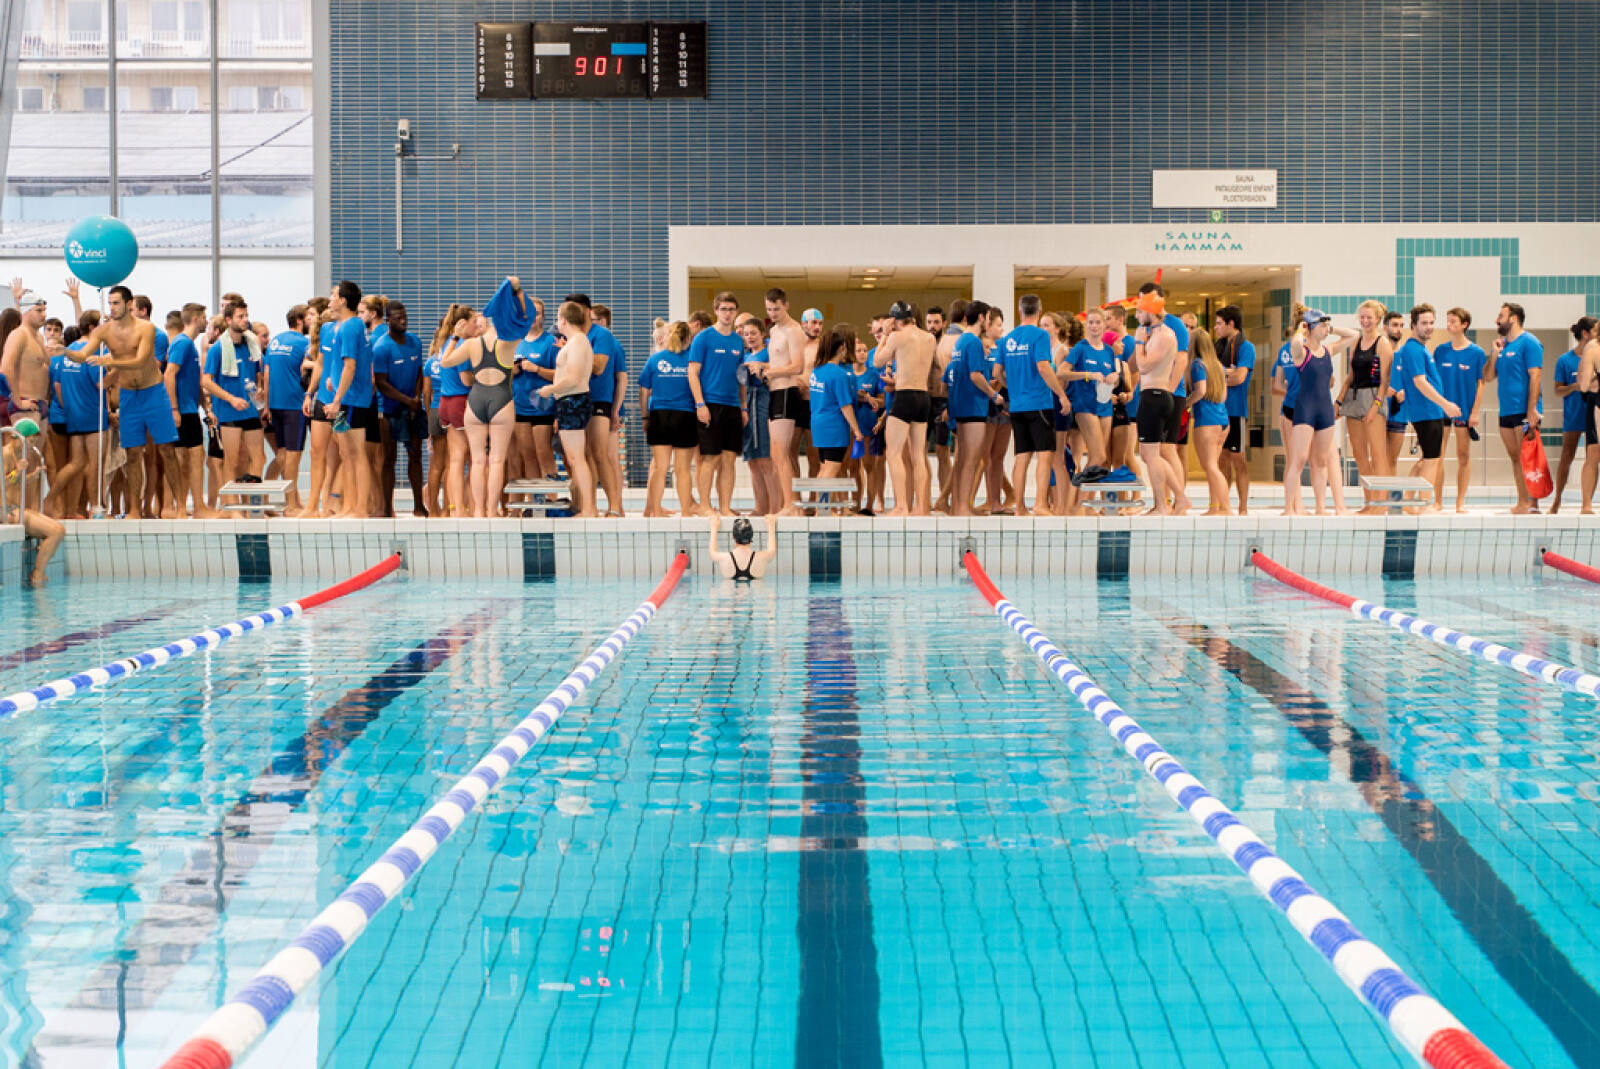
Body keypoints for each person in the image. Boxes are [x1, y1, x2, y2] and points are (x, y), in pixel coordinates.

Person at [57, 285, 184, 518]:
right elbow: (83, 355)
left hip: (153, 392)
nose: (112, 308)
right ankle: (134, 509)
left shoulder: (146, 329)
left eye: (116, 303)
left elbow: (140, 360)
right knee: (132, 454)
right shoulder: (104, 331)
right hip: (128, 396)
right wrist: (63, 351)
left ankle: (181, 507)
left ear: (129, 303)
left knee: (167, 449)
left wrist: (108, 361)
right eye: (110, 303)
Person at [443, 278, 526, 517]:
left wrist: (455, 337)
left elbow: (445, 361)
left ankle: (478, 511)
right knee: (497, 460)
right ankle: (491, 510)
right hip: (501, 399)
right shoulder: (508, 343)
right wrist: (517, 292)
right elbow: (524, 319)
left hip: (476, 401)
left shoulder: (471, 344)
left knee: (478, 461)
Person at [1000, 294, 1071, 517]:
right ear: (1039, 311)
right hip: (1039, 403)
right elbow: (1043, 367)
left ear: (1019, 311)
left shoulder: (1007, 339)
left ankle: (1019, 507)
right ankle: (1040, 504)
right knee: (1045, 455)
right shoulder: (1040, 335)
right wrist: (1061, 395)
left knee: (1022, 456)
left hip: (1017, 406)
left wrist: (1012, 387)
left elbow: (996, 372)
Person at [1285, 310, 1356, 516]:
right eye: (1322, 326)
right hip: (1305, 410)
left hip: (1325, 410)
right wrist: (1302, 330)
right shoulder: (1301, 353)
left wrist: (1330, 328)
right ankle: (1289, 508)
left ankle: (1320, 508)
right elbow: (1295, 343)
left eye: (1327, 326)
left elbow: (1354, 335)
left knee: (1321, 461)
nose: (1326, 330)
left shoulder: (1328, 350)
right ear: (1310, 327)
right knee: (1299, 459)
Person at [1393, 304, 1462, 511]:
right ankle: (1424, 505)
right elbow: (1420, 382)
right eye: (1424, 323)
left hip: (1428, 411)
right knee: (1432, 460)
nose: (1429, 327)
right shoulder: (1414, 349)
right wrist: (1446, 404)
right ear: (1413, 325)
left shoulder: (1420, 348)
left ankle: (1407, 500)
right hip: (1427, 411)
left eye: (1431, 322)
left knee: (1427, 459)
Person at [687, 291, 748, 515]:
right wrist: (700, 404)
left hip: (732, 405)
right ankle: (705, 506)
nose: (727, 314)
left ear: (736, 312)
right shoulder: (703, 338)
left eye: (731, 309)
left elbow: (741, 378)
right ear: (716, 311)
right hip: (710, 404)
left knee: (729, 460)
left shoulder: (738, 341)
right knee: (709, 458)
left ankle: (724, 507)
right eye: (723, 309)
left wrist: (743, 406)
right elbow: (692, 372)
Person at [566, 293, 626, 517]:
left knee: (600, 453)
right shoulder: (570, 336)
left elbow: (599, 367)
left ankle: (614, 507)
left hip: (598, 399)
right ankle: (587, 506)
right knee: (581, 457)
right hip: (574, 399)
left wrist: (574, 355)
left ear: (587, 311)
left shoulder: (602, 335)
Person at [874, 301, 936, 515]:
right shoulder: (929, 338)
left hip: (905, 396)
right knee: (918, 455)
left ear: (894, 319)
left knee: (893, 453)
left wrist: (885, 335)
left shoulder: (896, 337)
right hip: (923, 397)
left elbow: (877, 361)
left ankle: (901, 506)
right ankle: (921, 506)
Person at [200, 298, 266, 496]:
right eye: (240, 316)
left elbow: (256, 373)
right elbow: (206, 381)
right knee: (232, 460)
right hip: (229, 411)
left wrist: (260, 388)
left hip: (250, 409)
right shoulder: (218, 349)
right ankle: (231, 505)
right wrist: (231, 399)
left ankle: (252, 502)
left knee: (259, 458)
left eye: (246, 315)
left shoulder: (251, 345)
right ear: (228, 320)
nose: (245, 320)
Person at [540, 300, 597, 517]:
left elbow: (573, 379)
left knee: (576, 459)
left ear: (563, 320)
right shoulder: (575, 342)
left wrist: (550, 389)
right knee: (575, 458)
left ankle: (589, 508)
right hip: (570, 402)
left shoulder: (578, 342)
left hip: (573, 401)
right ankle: (588, 507)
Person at [638, 320, 699, 517]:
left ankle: (655, 510)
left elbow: (643, 391)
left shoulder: (655, 359)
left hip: (660, 416)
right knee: (683, 469)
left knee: (660, 467)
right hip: (685, 416)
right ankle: (686, 513)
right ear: (688, 338)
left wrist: (645, 417)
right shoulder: (692, 360)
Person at [1337, 300, 1393, 512]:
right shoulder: (1356, 342)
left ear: (1377, 319)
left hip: (1373, 397)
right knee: (1359, 455)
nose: (1365, 321)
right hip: (1354, 398)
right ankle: (1369, 502)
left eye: (1369, 317)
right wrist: (1339, 401)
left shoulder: (1382, 344)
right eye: (1362, 317)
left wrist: (1375, 407)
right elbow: (1350, 375)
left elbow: (1385, 381)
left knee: (1378, 454)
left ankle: (1381, 503)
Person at [1488, 301, 1544, 514]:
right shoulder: (1502, 345)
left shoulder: (1530, 342)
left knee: (1528, 457)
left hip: (1524, 410)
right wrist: (1494, 354)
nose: (1497, 320)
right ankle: (1522, 502)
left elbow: (1535, 376)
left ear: (1513, 318)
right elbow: (1488, 376)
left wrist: (1532, 409)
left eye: (1501, 316)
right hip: (1506, 411)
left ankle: (1533, 504)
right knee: (1515, 458)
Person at [372, 300, 427, 516]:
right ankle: (387, 508)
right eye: (398, 318)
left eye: (405, 317)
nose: (403, 321)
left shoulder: (415, 342)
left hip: (412, 406)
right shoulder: (381, 347)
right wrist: (407, 400)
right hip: (388, 409)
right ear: (388, 320)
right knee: (389, 458)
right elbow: (381, 383)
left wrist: (416, 397)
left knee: (415, 455)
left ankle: (419, 505)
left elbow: (419, 372)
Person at [1131, 289, 1182, 515]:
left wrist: (1139, 342)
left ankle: (1164, 504)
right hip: (1153, 396)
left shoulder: (1164, 336)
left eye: (1139, 311)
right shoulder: (1157, 334)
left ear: (1149, 312)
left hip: (1155, 397)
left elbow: (1143, 366)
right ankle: (1179, 498)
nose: (1136, 316)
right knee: (1149, 454)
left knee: (1151, 456)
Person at [1434, 307, 1488, 513]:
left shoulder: (1476, 353)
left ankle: (1460, 502)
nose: (1448, 325)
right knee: (1437, 457)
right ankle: (1437, 501)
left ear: (1464, 325)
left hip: (1464, 411)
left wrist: (1474, 412)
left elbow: (1481, 384)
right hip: (1441, 411)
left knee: (1463, 456)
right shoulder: (1440, 351)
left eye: (1453, 321)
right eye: (1447, 321)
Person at [261, 304, 310, 514]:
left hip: (275, 405)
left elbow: (267, 374)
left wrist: (267, 405)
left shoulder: (275, 341)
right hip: (294, 405)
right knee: (293, 456)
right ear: (299, 320)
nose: (311, 322)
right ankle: (291, 505)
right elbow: (307, 369)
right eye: (308, 318)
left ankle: (264, 498)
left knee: (282, 455)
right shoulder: (304, 343)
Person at [763, 288, 807, 514]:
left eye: (776, 309)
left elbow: (798, 366)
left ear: (786, 306)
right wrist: (763, 367)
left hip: (787, 393)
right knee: (776, 454)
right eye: (769, 309)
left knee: (782, 452)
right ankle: (790, 503)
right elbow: (779, 362)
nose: (772, 313)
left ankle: (791, 505)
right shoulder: (773, 330)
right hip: (775, 393)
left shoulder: (794, 330)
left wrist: (771, 373)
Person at [807, 323, 866, 488]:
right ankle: (822, 503)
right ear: (842, 348)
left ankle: (820, 503)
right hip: (834, 426)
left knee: (824, 468)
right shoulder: (838, 374)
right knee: (831, 470)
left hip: (818, 424)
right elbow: (845, 406)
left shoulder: (816, 371)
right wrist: (856, 430)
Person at [1, 431, 63, 585]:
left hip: (15, 509)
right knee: (56, 532)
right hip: (5, 511)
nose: (32, 446)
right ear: (18, 438)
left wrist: (31, 476)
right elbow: (2, 483)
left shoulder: (16, 454)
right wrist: (18, 471)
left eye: (35, 442)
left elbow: (13, 483)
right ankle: (37, 575)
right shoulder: (5, 453)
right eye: (30, 441)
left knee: (58, 529)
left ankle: (38, 572)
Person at [510, 299, 559, 488]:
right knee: (528, 456)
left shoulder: (551, 342)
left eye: (537, 313)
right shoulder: (516, 343)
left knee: (543, 453)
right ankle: (534, 498)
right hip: (520, 406)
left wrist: (537, 369)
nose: (532, 317)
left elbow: (560, 375)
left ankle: (551, 497)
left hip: (543, 408)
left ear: (543, 317)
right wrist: (513, 371)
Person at [1552, 317, 1597, 513]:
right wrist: (1575, 387)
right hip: (1574, 414)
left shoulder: (1596, 355)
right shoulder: (1565, 360)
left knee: (1592, 458)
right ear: (1585, 334)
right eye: (1595, 331)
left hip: (1593, 413)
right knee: (1567, 456)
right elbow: (1557, 390)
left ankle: (1587, 502)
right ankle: (1557, 500)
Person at [1213, 305, 1255, 514]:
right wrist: (1228, 372)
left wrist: (1220, 377)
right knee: (1222, 459)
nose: (1215, 327)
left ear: (1231, 324)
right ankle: (1223, 505)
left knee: (1239, 459)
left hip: (1236, 410)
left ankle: (1243, 507)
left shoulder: (1246, 347)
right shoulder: (1218, 347)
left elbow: (1239, 377)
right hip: (1218, 410)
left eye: (1219, 323)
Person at [1187, 329, 1233, 514]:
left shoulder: (1197, 365)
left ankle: (1226, 507)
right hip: (1223, 421)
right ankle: (1215, 507)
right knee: (1213, 466)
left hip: (1206, 421)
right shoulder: (1219, 366)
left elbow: (1200, 391)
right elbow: (1223, 395)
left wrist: (1185, 404)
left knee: (1211, 467)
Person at [739, 316, 779, 515]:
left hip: (764, 403)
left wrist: (763, 368)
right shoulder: (745, 355)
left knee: (765, 459)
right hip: (748, 405)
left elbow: (782, 370)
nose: (750, 337)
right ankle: (760, 507)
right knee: (753, 462)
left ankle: (775, 507)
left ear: (763, 334)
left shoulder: (770, 352)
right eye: (746, 334)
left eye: (753, 333)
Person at [707, 512, 777, 580]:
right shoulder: (761, 557)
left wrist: (714, 528)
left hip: (729, 587)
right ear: (751, 536)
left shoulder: (724, 558)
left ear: (733, 537)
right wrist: (771, 526)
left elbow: (712, 552)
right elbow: (772, 550)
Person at [1382, 310, 1410, 470]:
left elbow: (1416, 381)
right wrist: (1383, 389)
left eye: (1401, 325)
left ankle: (1390, 488)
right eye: (1394, 325)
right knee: (1379, 459)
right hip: (1378, 411)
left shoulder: (1406, 355)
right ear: (1385, 327)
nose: (1398, 329)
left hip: (1399, 413)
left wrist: (1406, 392)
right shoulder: (1377, 353)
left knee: (1392, 460)